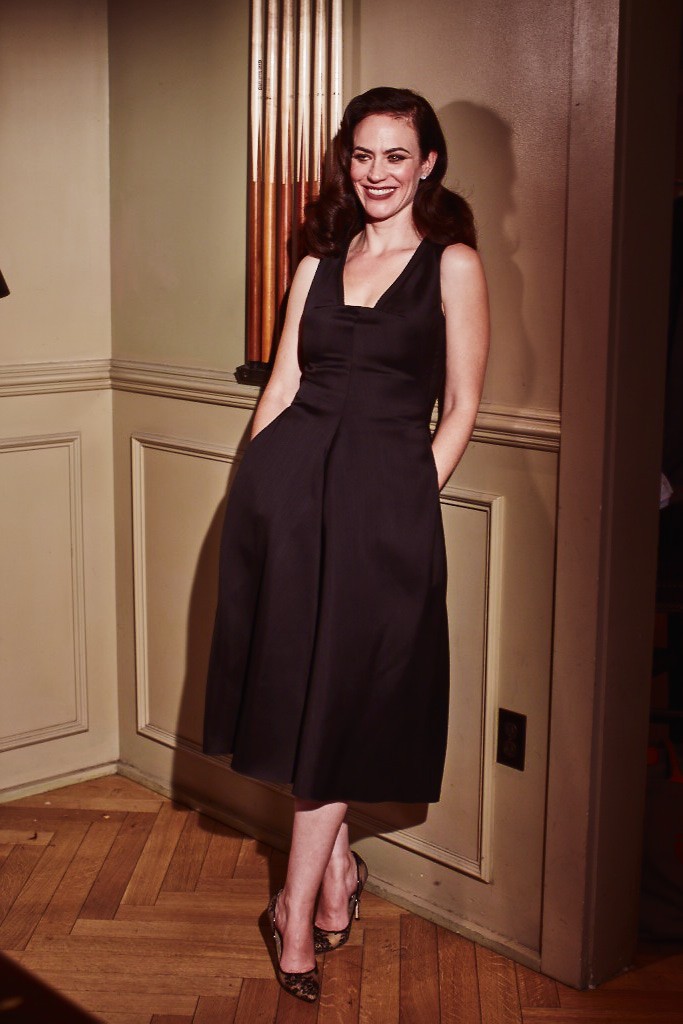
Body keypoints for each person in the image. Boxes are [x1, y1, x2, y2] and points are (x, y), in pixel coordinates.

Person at [202, 86, 490, 1002]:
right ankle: (332, 874)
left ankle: (292, 910)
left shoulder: (452, 265)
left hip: (382, 509)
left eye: (395, 156)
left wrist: (406, 497)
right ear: (347, 162)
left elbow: (462, 404)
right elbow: (283, 385)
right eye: (362, 155)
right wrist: (251, 491)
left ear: (427, 163)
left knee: (344, 700)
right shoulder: (317, 263)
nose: (377, 173)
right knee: (298, 695)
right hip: (285, 498)